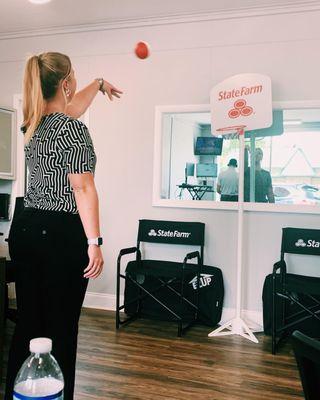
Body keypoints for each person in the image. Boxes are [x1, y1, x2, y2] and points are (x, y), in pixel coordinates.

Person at [5, 52, 123, 400]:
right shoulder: (73, 129)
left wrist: (98, 83)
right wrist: (94, 241)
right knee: (60, 328)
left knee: (29, 324)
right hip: (59, 234)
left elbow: (70, 108)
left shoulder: (34, 123)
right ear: (66, 83)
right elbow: (83, 187)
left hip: (24, 227)